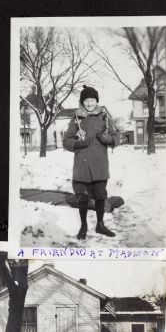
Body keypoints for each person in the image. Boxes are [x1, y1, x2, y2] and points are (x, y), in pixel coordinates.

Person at [63, 85, 120, 240]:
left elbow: (116, 137)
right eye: (86, 100)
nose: (89, 103)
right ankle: (84, 226)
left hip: (100, 164)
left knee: (100, 196)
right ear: (82, 101)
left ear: (97, 101)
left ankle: (100, 225)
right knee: (82, 197)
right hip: (82, 164)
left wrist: (107, 139)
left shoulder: (104, 116)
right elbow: (66, 140)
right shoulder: (76, 118)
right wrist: (78, 143)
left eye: (92, 100)